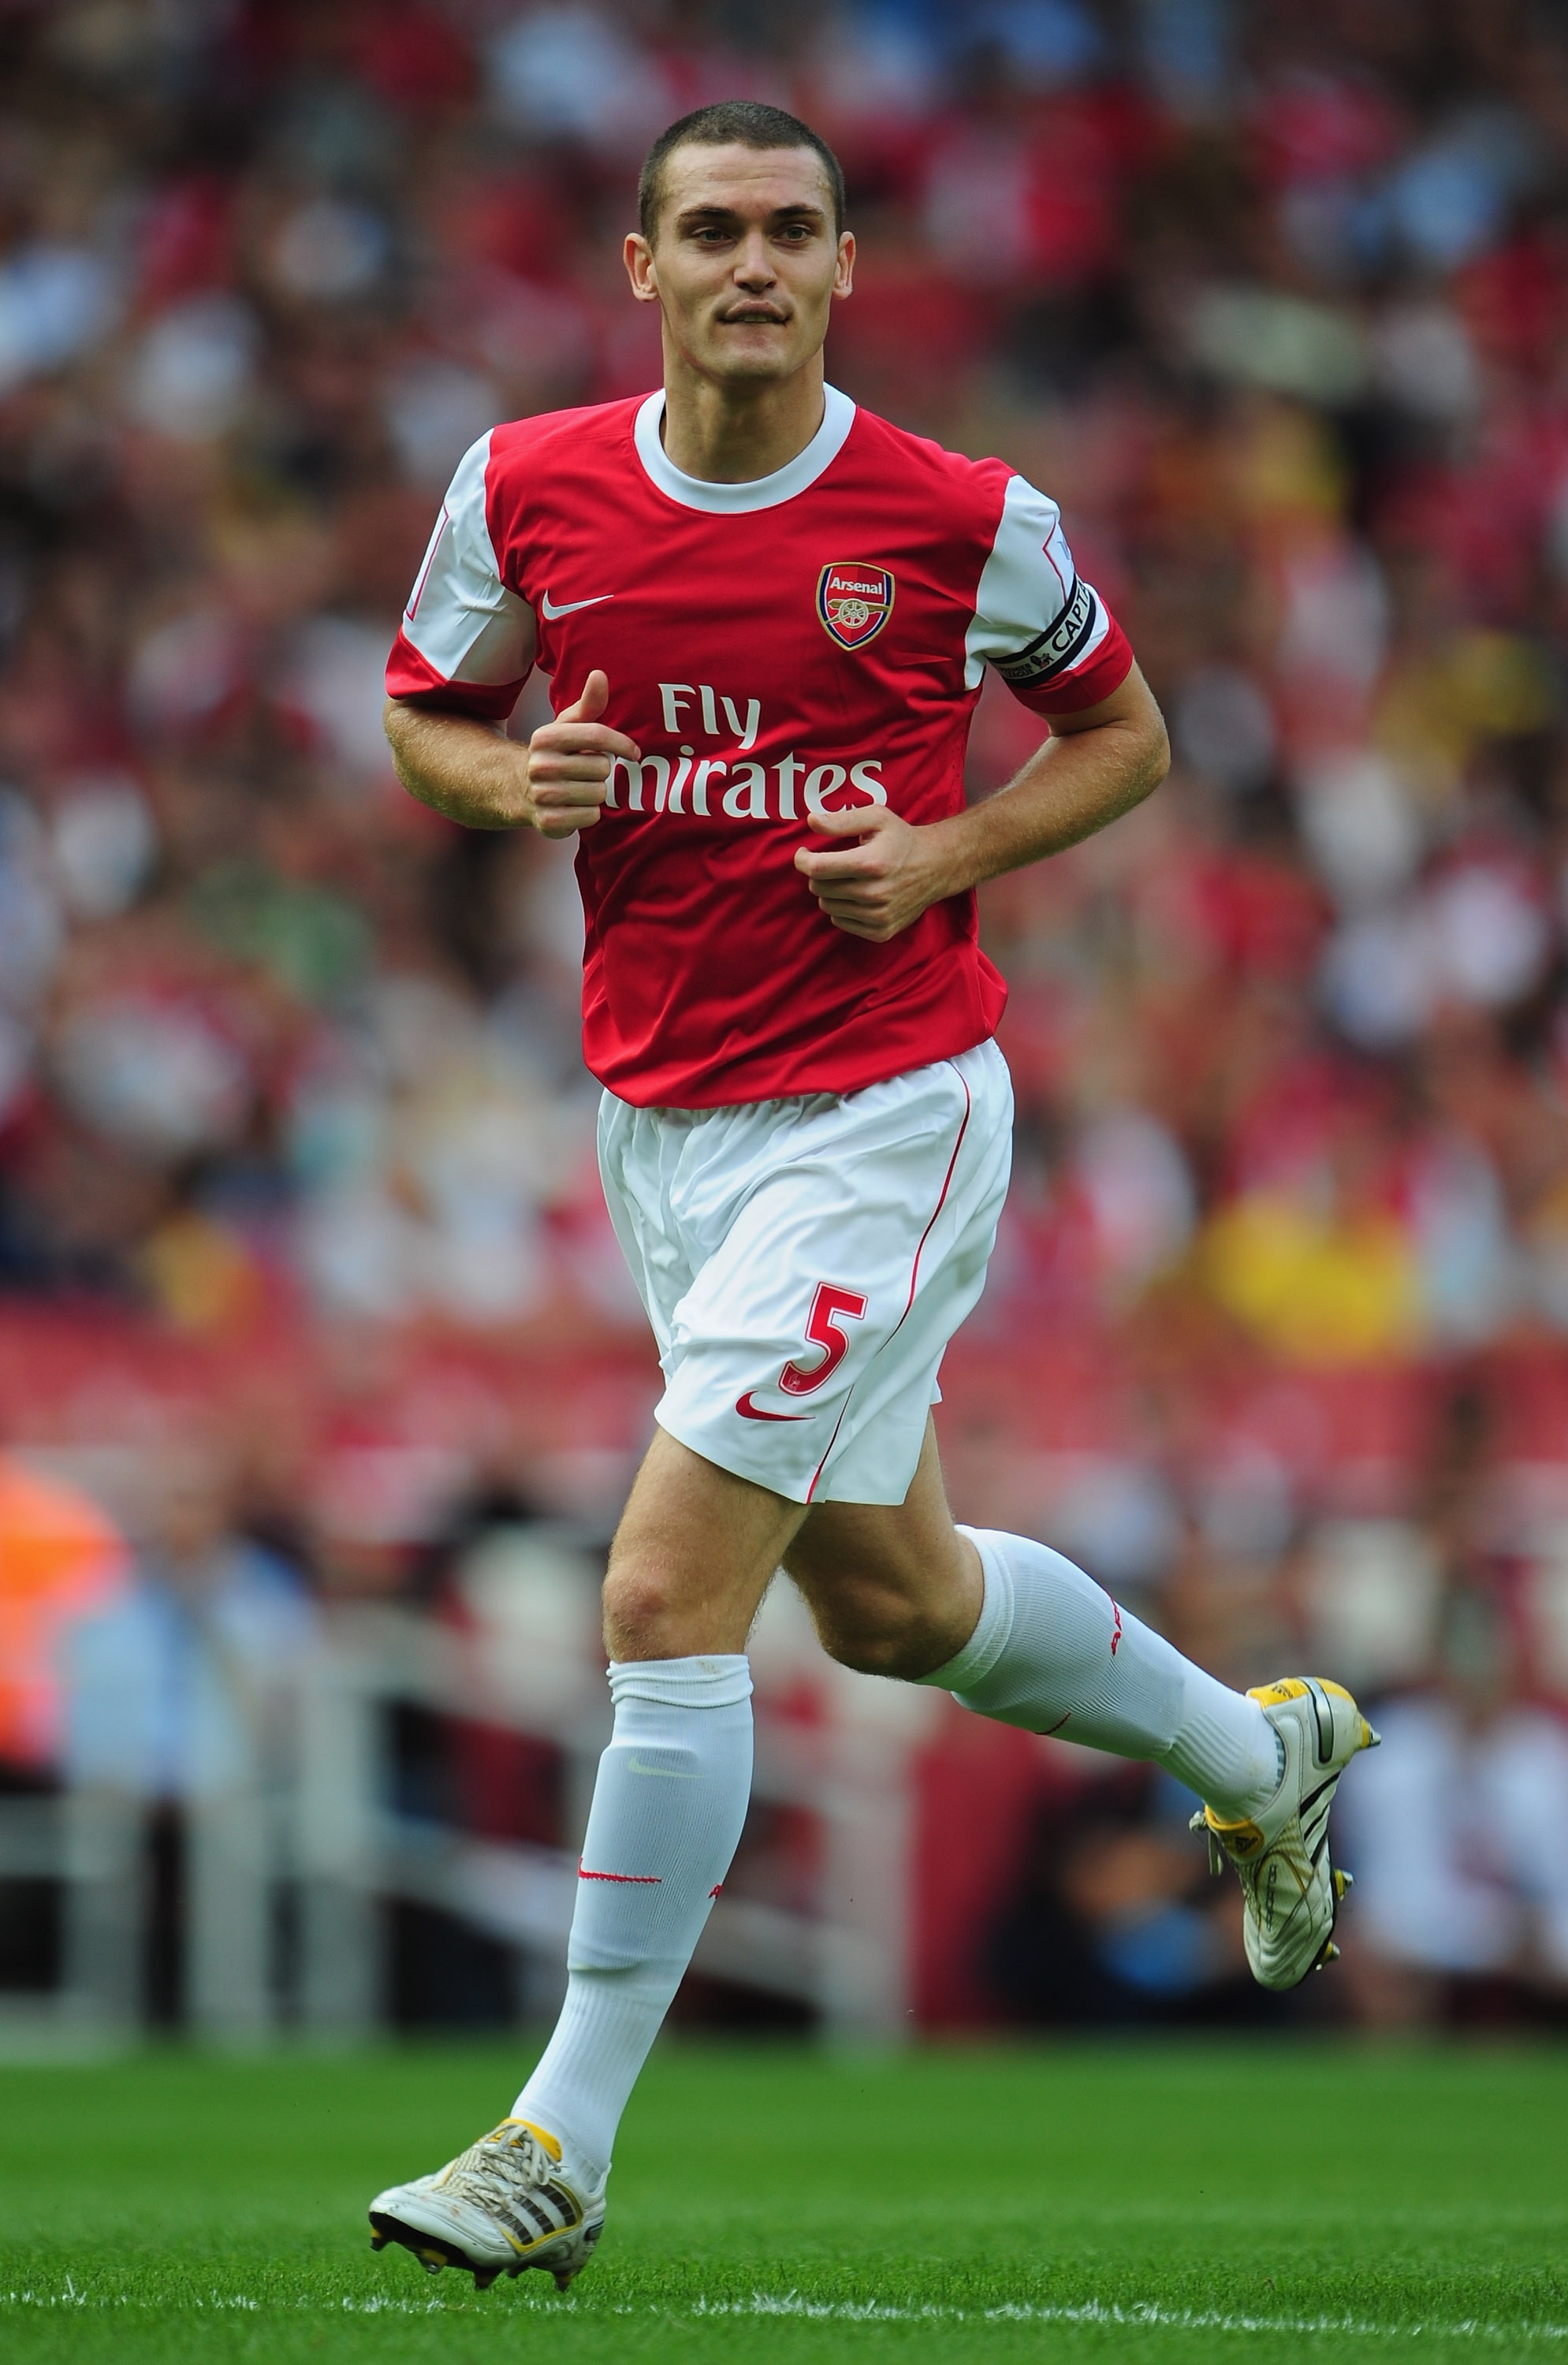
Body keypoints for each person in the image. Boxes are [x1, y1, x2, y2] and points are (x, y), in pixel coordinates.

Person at [368, 100, 1378, 2295]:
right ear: (640, 266)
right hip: (663, 1130)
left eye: (791, 230)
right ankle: (1259, 1753)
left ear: (845, 266)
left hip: (887, 1108)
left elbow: (1126, 737)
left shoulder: (954, 516)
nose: (752, 261)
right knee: (899, 1608)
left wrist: (944, 853)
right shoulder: (523, 487)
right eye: (711, 228)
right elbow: (426, 716)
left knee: (660, 1599)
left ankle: (560, 2138)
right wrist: (499, 779)